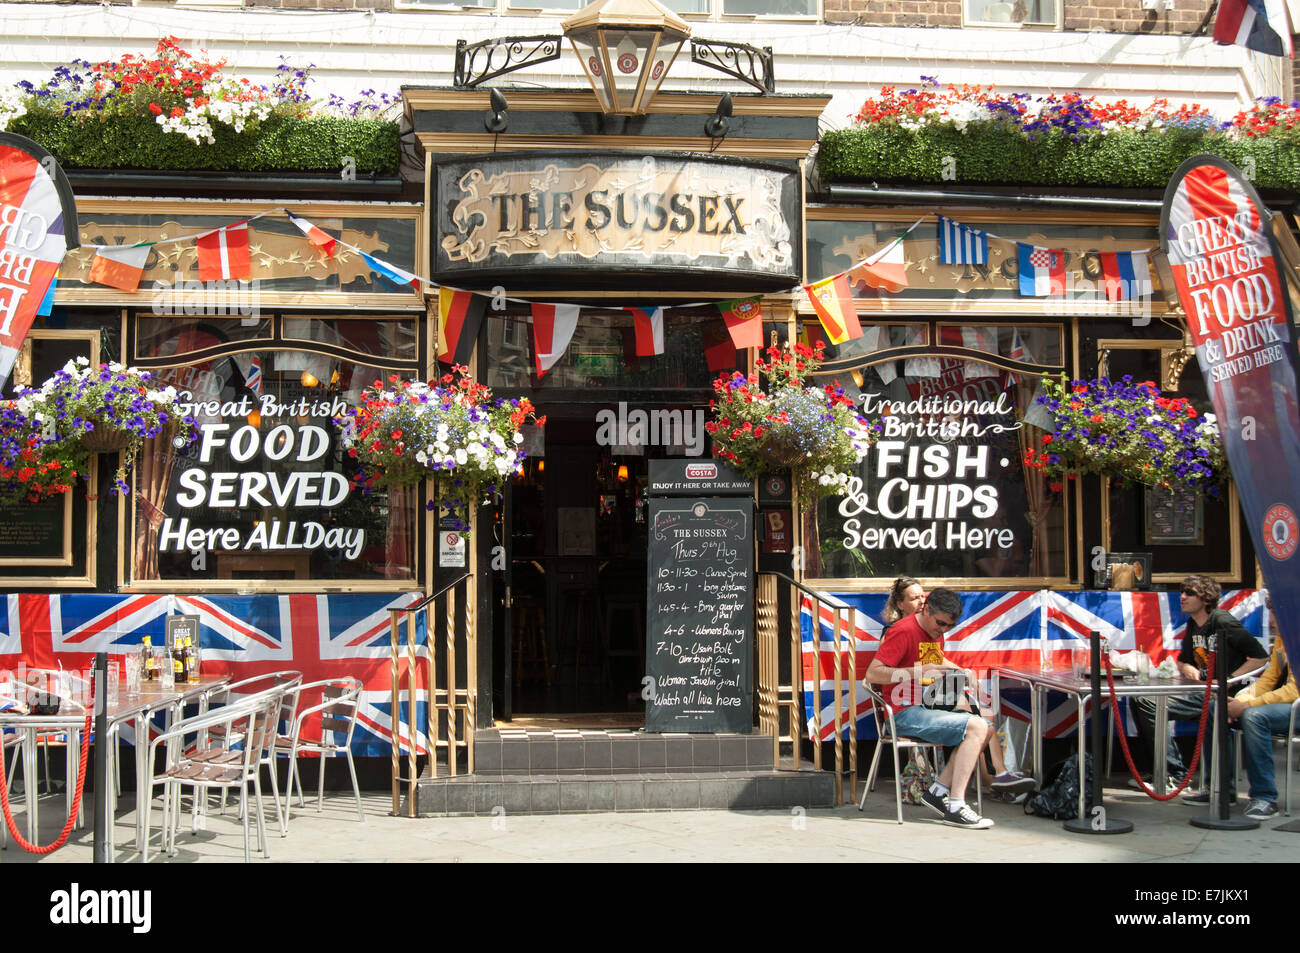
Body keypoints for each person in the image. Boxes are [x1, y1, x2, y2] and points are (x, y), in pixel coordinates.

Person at [866, 588, 1029, 829]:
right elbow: (872, 673)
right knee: (977, 726)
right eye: (940, 623)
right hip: (903, 712)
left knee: (985, 725)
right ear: (926, 609)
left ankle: (939, 790)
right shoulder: (902, 631)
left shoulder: (934, 630)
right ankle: (955, 804)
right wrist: (917, 672)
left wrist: (960, 672)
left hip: (928, 704)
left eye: (949, 626)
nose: (943, 630)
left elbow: (935, 659)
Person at [1129, 575, 1268, 796]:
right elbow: (1183, 660)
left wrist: (1227, 679)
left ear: (1205, 598)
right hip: (1201, 692)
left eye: (1189, 593)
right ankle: (1165, 772)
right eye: (1182, 592)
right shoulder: (1193, 625)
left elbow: (1260, 658)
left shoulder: (1222, 620)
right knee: (1141, 699)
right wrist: (1187, 669)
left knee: (1148, 702)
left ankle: (1175, 775)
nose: (1182, 597)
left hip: (1225, 696)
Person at [1225, 597, 1297, 819]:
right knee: (1214, 707)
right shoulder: (1283, 640)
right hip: (1285, 705)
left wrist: (1247, 705)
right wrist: (1240, 699)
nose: (1271, 621)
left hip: (1296, 706)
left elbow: (1294, 691)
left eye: (1274, 614)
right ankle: (1219, 788)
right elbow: (1269, 680)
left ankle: (1265, 798)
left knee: (1255, 716)